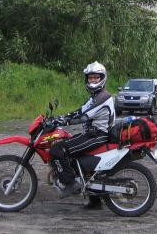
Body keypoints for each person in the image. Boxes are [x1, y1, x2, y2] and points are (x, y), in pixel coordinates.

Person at [49, 61, 115, 209]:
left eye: (95, 77)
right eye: (90, 78)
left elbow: (83, 116)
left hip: (98, 135)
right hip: (92, 134)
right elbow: (80, 110)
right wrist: (60, 118)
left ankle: (70, 183)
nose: (92, 80)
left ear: (102, 78)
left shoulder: (103, 97)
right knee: (73, 154)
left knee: (57, 149)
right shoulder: (94, 97)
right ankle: (95, 201)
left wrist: (64, 121)